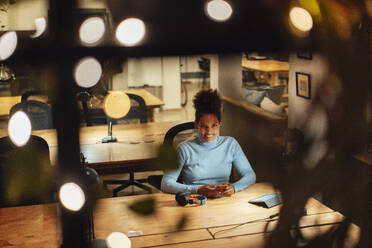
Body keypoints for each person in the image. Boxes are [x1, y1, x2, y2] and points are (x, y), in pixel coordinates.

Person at [161, 89, 256, 198]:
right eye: (203, 126)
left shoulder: (230, 144)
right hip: (195, 201)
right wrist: (198, 190)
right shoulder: (184, 149)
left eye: (214, 125)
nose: (209, 132)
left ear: (220, 124)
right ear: (197, 125)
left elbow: (250, 175)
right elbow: (166, 184)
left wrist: (235, 187)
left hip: (224, 202)